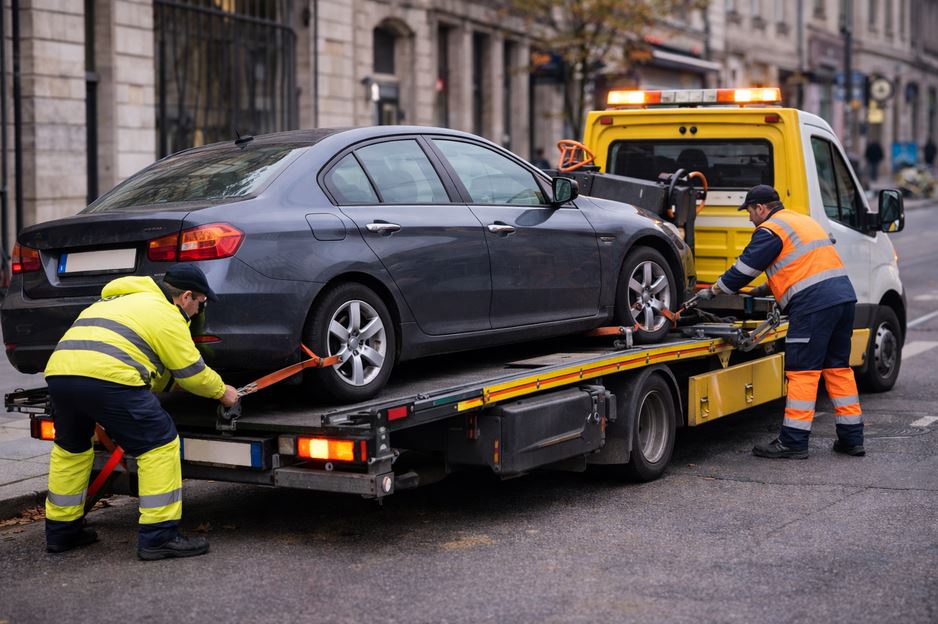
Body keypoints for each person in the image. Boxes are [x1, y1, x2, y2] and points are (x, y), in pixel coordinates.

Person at [43, 264, 239, 559]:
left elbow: (144, 362)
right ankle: (159, 537)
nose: (198, 311)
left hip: (60, 376)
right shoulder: (165, 314)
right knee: (159, 443)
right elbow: (193, 373)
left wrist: (171, 384)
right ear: (186, 297)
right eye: (200, 303)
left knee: (71, 450)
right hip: (109, 380)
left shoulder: (116, 301)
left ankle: (62, 532)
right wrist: (224, 393)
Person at [698, 185, 864, 459]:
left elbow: (743, 269)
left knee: (803, 372)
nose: (749, 218)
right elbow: (801, 264)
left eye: (750, 212)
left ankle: (794, 442)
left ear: (760, 208)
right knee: (838, 369)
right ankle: (852, 439)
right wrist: (765, 289)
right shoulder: (800, 221)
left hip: (813, 307)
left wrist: (714, 290)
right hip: (843, 300)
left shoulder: (770, 229)